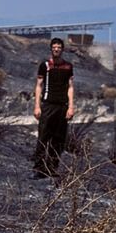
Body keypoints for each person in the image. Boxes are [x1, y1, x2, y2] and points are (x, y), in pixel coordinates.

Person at [32, 37, 75, 179]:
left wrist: (71, 107)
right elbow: (38, 86)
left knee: (58, 139)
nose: (56, 49)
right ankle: (38, 169)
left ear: (62, 49)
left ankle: (52, 168)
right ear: (51, 48)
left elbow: (70, 87)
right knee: (43, 137)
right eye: (54, 47)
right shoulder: (45, 65)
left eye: (59, 47)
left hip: (62, 107)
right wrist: (37, 106)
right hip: (48, 105)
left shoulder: (68, 66)